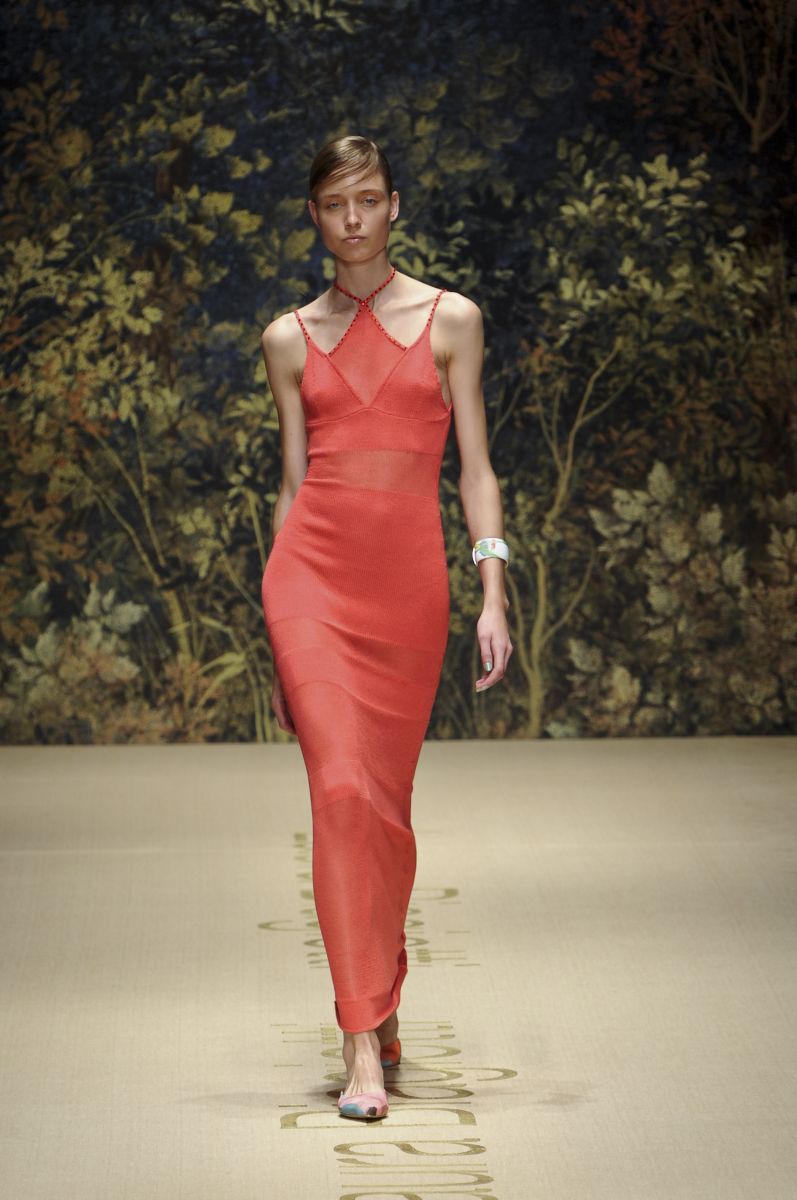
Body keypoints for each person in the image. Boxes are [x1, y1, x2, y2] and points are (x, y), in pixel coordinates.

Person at [260, 135, 512, 1120]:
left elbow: (475, 469)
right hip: (309, 583)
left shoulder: (452, 321)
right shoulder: (288, 338)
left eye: (368, 199)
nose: (353, 218)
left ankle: (381, 987)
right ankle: (359, 1040)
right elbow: (292, 485)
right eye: (335, 204)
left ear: (394, 204)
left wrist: (492, 591)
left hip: (406, 592)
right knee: (337, 793)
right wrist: (279, 635)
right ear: (314, 216)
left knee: (384, 813)